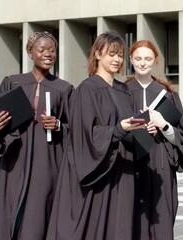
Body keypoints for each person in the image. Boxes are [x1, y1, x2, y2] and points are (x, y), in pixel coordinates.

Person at [46, 32, 153, 240]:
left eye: (120, 55)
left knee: (121, 226)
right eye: (111, 54)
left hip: (124, 171)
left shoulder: (124, 90)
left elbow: (130, 130)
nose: (117, 60)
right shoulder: (87, 89)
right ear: (97, 54)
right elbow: (86, 134)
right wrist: (118, 129)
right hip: (100, 172)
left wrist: (145, 130)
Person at [0, 31, 74, 240]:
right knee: (10, 209)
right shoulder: (13, 83)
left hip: (48, 162)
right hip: (15, 159)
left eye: (52, 50)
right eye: (41, 50)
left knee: (39, 215)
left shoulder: (64, 89)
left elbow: (75, 129)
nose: (48, 54)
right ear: (30, 52)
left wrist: (58, 124)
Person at [125, 40, 183, 240]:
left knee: (162, 223)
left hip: (160, 162)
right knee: (132, 221)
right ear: (131, 60)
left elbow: (181, 137)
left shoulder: (168, 95)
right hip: (131, 163)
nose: (142, 63)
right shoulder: (122, 92)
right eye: (138, 58)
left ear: (155, 61)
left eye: (147, 58)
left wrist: (163, 125)